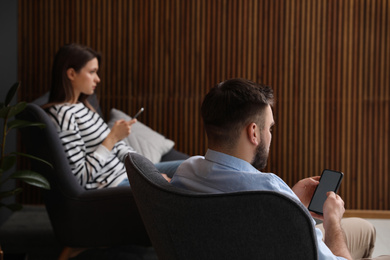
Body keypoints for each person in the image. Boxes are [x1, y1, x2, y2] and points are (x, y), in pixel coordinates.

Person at [171, 78, 390, 260]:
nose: (271, 135)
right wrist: (332, 220)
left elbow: (252, 223)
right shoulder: (270, 190)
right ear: (254, 132)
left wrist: (292, 201)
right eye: (270, 127)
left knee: (364, 229)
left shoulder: (186, 172)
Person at [44, 43, 182, 190]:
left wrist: (148, 172)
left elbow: (118, 147)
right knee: (186, 180)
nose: (98, 79)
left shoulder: (82, 106)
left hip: (127, 174)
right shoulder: (63, 115)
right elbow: (80, 177)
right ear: (71, 74)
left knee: (192, 165)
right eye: (92, 72)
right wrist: (112, 138)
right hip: (113, 185)